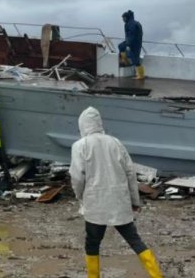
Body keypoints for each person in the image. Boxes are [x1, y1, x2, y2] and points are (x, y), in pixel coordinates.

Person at [70, 107, 163, 278]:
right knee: (135, 241)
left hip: (95, 203)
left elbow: (77, 177)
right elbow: (130, 173)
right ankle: (157, 275)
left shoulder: (80, 146)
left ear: (82, 125)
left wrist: (80, 197)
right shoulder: (115, 143)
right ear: (99, 124)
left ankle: (93, 276)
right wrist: (135, 201)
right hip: (119, 202)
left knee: (92, 244)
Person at [118, 10, 144, 79]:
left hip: (134, 44)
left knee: (135, 59)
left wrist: (128, 45)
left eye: (124, 18)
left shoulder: (131, 24)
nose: (123, 20)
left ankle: (141, 75)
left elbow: (131, 35)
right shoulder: (133, 23)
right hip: (134, 42)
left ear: (127, 17)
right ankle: (126, 61)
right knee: (121, 46)